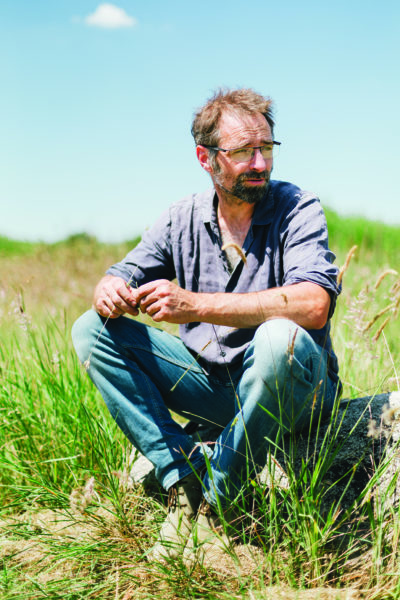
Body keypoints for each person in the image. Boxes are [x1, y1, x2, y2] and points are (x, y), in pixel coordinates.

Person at [72, 88, 341, 562]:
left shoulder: (297, 207)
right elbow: (125, 272)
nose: (259, 163)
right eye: (242, 152)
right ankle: (182, 479)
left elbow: (313, 304)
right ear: (206, 158)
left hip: (290, 392)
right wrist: (110, 287)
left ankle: (218, 499)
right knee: (91, 330)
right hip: (213, 388)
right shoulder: (182, 217)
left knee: (281, 338)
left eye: (267, 148)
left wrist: (194, 305)